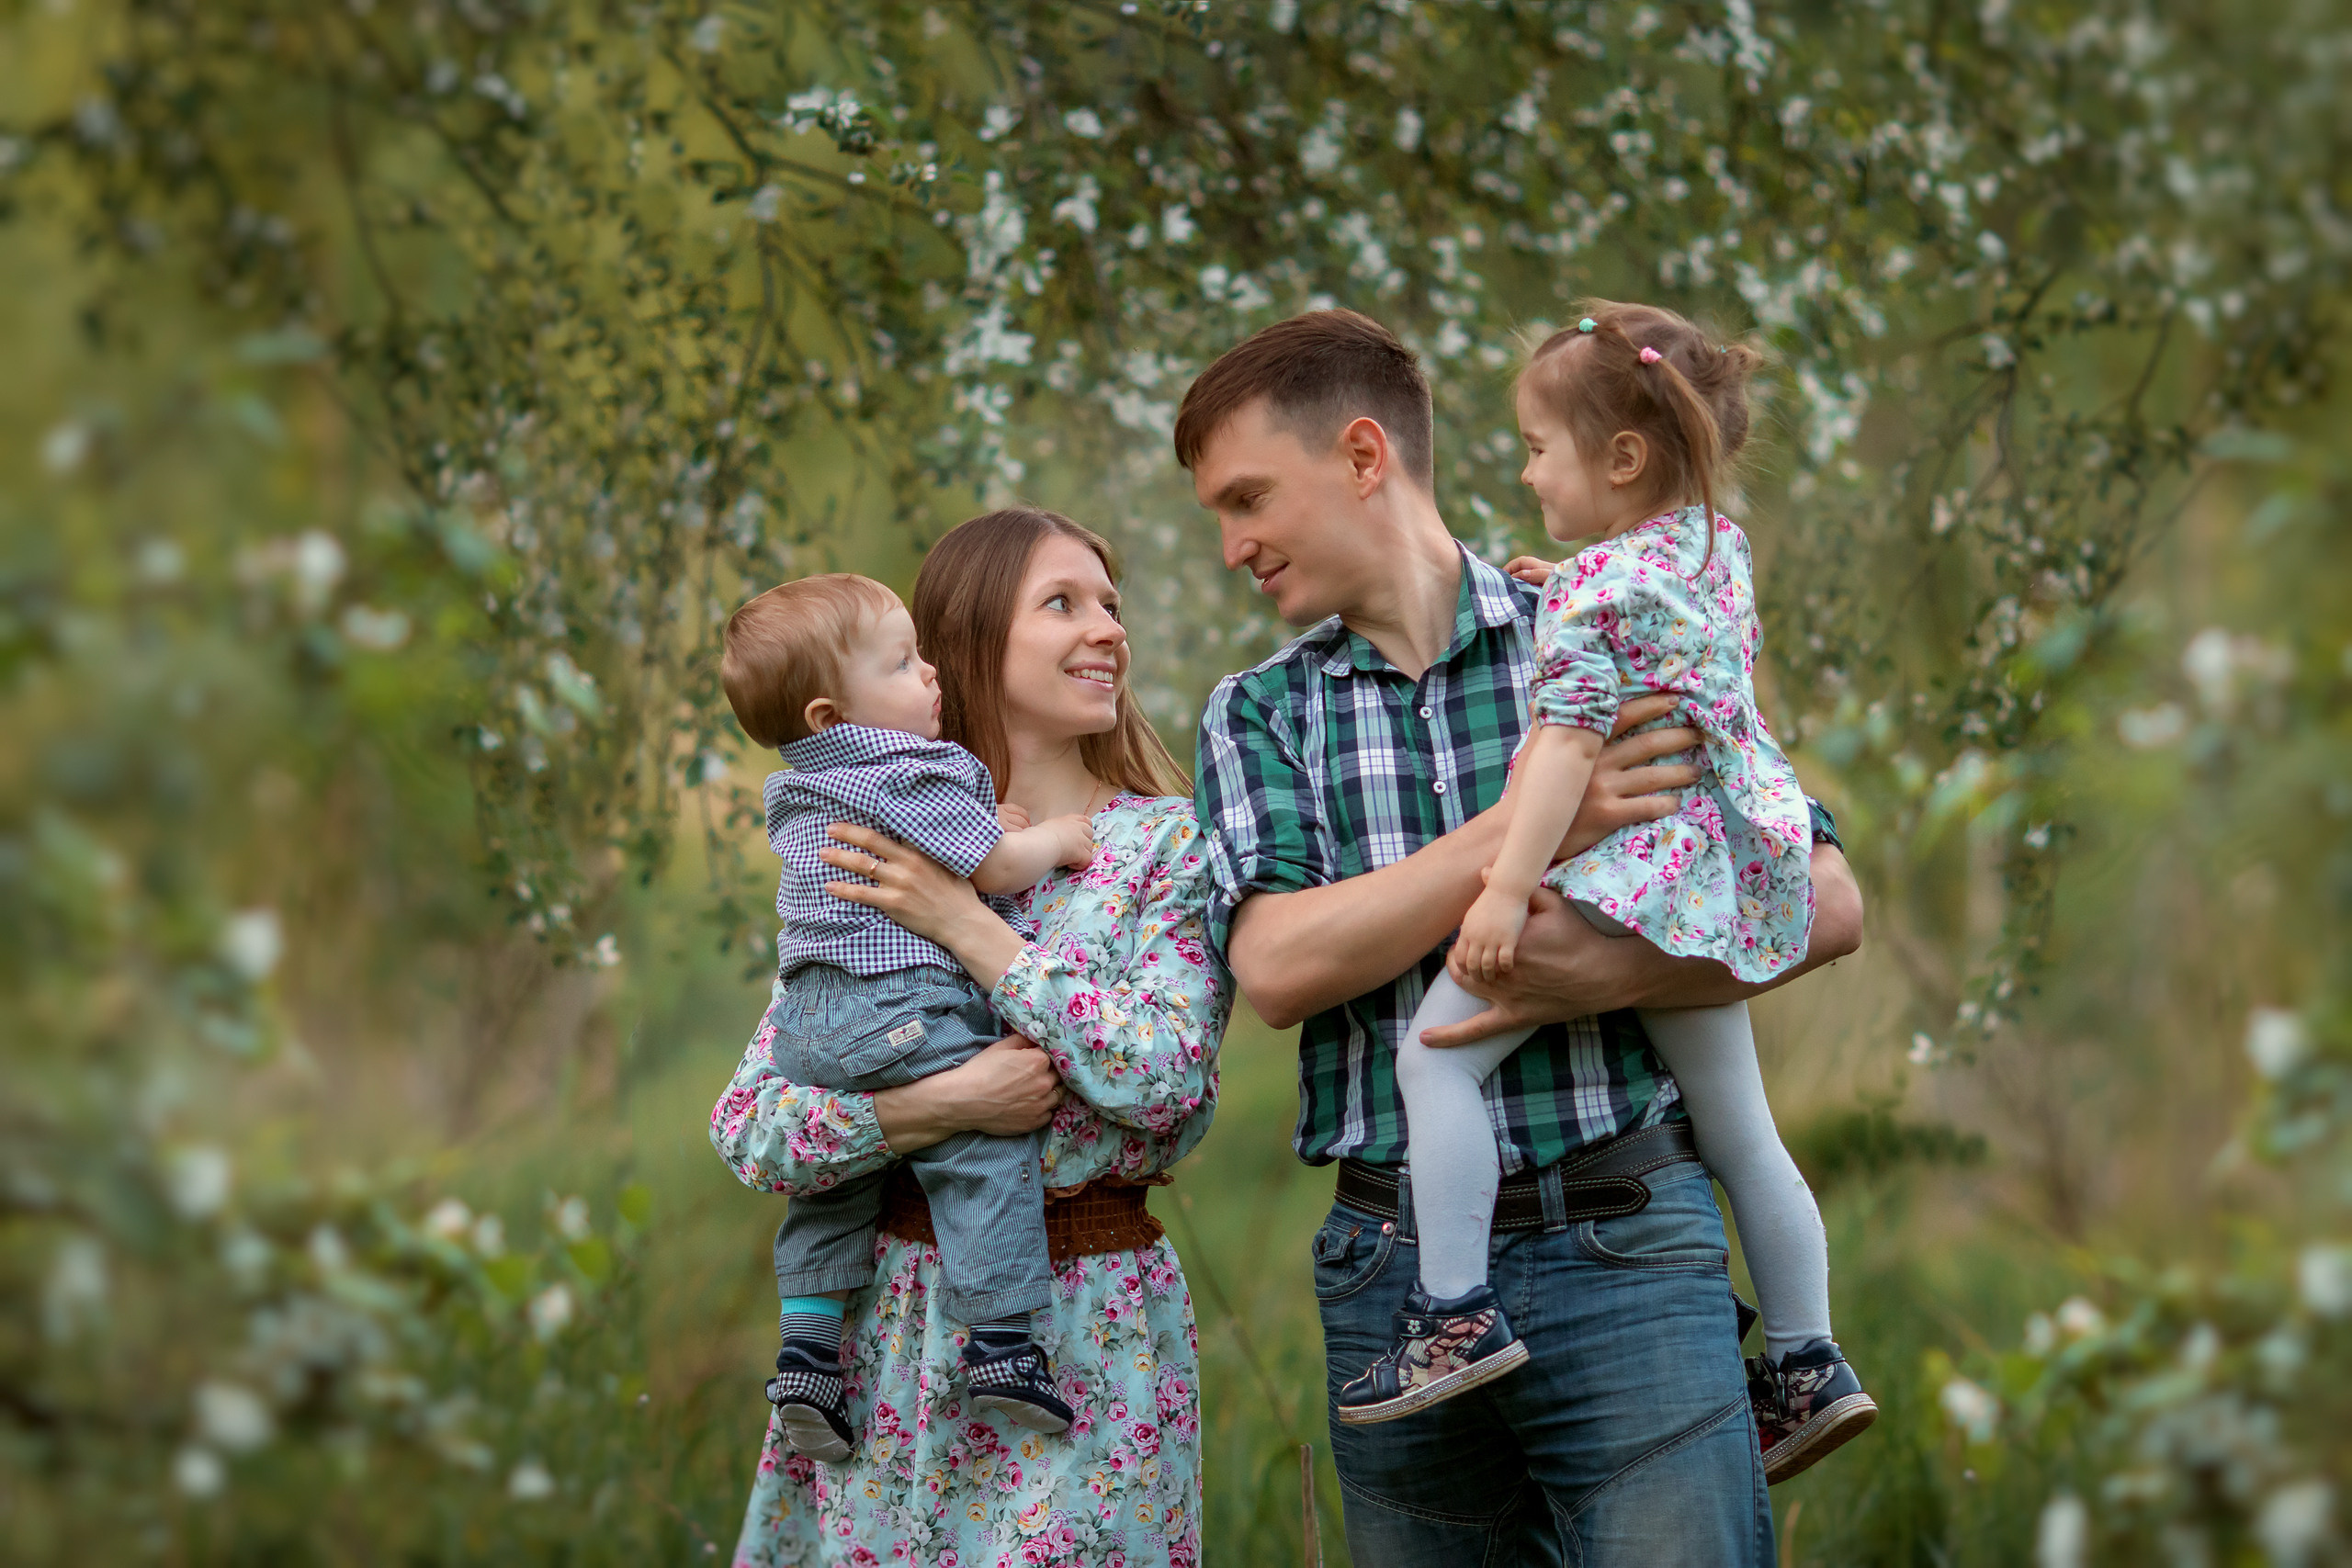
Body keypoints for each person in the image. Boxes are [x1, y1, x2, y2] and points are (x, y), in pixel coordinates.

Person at [1182, 309, 1864, 1564]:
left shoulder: (1604, 612)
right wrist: (1520, 832)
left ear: (1365, 455)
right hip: (1388, 1265)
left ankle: (1807, 1354)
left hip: (1631, 1239)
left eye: (1247, 498)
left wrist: (1590, 973)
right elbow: (1276, 967)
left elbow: (1825, 896)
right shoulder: (1258, 713)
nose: (1232, 546)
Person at [710, 508, 1228, 1568]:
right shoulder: (872, 840)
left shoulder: (1163, 845)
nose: (1108, 631)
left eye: (1111, 606)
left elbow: (1165, 1079)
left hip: (1082, 1334)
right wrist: (938, 1108)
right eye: (1063, 604)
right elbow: (755, 1128)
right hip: (878, 1338)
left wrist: (966, 926)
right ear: (964, 644)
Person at [718, 572, 1102, 1455]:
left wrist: (975, 825)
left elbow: (945, 844)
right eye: (902, 663)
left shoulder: (808, 786)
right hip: (903, 1008)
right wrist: (1053, 840)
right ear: (830, 715)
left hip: (813, 1021)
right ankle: (1003, 1344)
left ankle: (809, 1353)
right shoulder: (911, 765)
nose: (929, 674)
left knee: (830, 1188)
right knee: (981, 1153)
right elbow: (1001, 868)